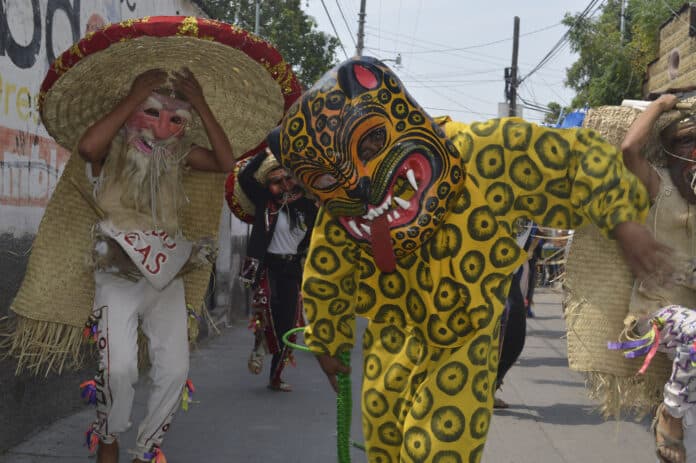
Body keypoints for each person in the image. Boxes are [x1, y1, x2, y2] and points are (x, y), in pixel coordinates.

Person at [273, 55, 667, 462]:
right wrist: (327, 340)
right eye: (327, 178)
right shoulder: (345, 213)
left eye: (370, 144)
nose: (357, 184)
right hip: (390, 335)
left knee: (437, 450)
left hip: (463, 342)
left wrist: (624, 221)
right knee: (385, 447)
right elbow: (327, 268)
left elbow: (576, 158)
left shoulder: (483, 151)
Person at [77, 66, 234, 463]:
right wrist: (134, 95)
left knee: (175, 373)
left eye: (175, 119)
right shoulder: (112, 145)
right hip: (116, 274)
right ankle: (109, 434)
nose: (161, 128)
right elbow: (86, 148)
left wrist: (198, 102)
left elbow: (225, 161)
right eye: (151, 113)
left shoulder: (179, 154)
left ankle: (145, 451)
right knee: (117, 371)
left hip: (164, 276)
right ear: (131, 114)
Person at [617, 94, 696, 463]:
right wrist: (661, 106)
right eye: (685, 141)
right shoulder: (659, 184)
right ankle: (670, 414)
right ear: (671, 150)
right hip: (653, 320)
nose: (694, 151)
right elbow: (630, 149)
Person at [236, 136, 318, 392]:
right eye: (276, 181)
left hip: (291, 270)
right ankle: (259, 344)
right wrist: (265, 150)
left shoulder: (307, 206)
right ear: (268, 185)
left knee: (289, 325)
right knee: (266, 312)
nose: (284, 184)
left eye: (288, 178)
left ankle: (276, 376)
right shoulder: (265, 202)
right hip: (266, 267)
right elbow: (245, 177)